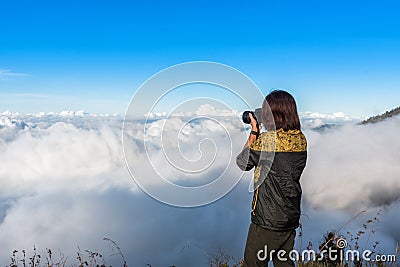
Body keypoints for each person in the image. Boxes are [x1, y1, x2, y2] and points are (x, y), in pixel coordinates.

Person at [236, 90, 307, 267]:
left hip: (267, 220)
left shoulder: (268, 141)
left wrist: (254, 130)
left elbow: (242, 162)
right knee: (284, 263)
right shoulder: (301, 139)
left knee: (252, 264)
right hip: (290, 215)